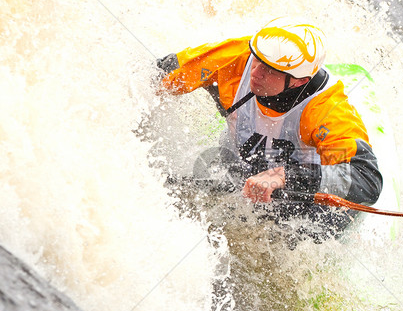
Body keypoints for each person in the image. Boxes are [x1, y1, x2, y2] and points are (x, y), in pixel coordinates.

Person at [155, 17, 382, 237]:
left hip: (300, 194)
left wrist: (285, 176)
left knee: (303, 232)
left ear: (299, 81)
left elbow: (367, 179)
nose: (255, 73)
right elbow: (155, 77)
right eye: (257, 60)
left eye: (270, 70)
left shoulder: (327, 109)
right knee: (168, 189)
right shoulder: (236, 58)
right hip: (238, 173)